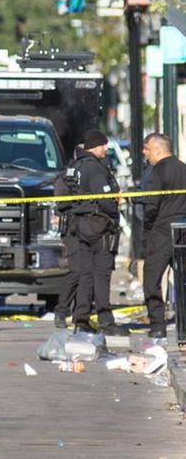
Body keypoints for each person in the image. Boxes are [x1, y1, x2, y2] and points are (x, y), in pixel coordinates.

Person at [69, 129, 128, 336]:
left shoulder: (78, 165)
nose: (106, 148)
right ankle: (106, 322)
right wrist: (115, 208)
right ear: (95, 145)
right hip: (99, 227)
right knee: (101, 275)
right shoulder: (95, 168)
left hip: (82, 226)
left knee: (85, 275)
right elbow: (105, 199)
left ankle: (81, 320)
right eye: (103, 145)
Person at [139, 133, 186, 339]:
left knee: (153, 277)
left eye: (147, 148)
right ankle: (183, 326)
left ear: (159, 149)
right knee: (182, 278)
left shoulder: (156, 172)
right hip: (183, 228)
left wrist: (148, 229)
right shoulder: (183, 168)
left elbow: (151, 205)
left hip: (161, 230)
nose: (144, 152)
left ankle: (158, 324)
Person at [53, 144, 84, 329]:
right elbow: (61, 202)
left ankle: (80, 313)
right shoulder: (67, 176)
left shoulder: (96, 170)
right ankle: (62, 310)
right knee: (77, 270)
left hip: (90, 228)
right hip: (73, 228)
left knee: (86, 272)